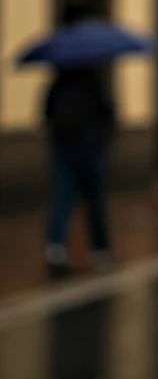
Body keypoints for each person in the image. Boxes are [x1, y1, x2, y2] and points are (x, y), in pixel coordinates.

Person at [42, 66, 116, 274]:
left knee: (63, 198)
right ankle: (101, 250)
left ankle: (55, 249)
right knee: (95, 201)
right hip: (91, 149)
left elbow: (47, 114)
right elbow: (108, 114)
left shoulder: (58, 84)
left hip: (64, 149)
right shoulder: (95, 84)